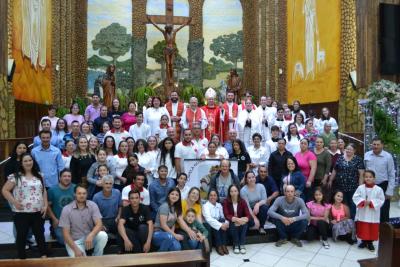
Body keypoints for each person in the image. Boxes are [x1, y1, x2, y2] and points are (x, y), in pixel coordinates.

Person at [2, 153, 48, 259]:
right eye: (25, 161)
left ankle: (43, 256)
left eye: (30, 160)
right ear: (21, 163)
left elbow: (43, 190)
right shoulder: (15, 176)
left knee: (40, 235)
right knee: (22, 235)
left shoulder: (39, 175)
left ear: (33, 161)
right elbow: (5, 190)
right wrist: (14, 202)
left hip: (38, 211)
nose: (28, 163)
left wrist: (45, 205)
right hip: (21, 212)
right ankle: (22, 258)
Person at [59, 185, 108, 257]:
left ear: (87, 194)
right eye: (79, 193)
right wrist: (76, 250)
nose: (82, 195)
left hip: (90, 238)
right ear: (74, 194)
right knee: (80, 262)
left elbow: (99, 224)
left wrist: (91, 235)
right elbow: (66, 234)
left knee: (103, 235)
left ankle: (97, 257)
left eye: (84, 193)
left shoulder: (92, 205)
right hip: (74, 242)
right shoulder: (67, 209)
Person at [147, 16, 191, 87]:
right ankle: (169, 78)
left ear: (171, 28)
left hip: (172, 50)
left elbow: (181, 26)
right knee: (168, 64)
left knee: (171, 64)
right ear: (166, 29)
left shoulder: (174, 32)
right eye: (167, 29)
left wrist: (187, 22)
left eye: (170, 28)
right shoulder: (165, 33)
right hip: (167, 49)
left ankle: (171, 78)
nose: (169, 29)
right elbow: (157, 27)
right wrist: (151, 21)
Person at [364, 137, 396, 222]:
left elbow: (392, 174)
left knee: (383, 211)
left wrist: (389, 191)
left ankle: (383, 232)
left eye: (378, 144)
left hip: (383, 186)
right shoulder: (367, 155)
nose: (376, 146)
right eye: (374, 144)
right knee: (370, 209)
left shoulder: (388, 157)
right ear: (371, 145)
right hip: (369, 186)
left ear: (382, 145)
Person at [329, 143, 365, 218]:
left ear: (354, 150)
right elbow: (335, 170)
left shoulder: (358, 159)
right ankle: (343, 223)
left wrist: (361, 187)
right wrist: (330, 180)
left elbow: (361, 174)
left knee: (352, 205)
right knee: (344, 205)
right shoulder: (340, 158)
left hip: (353, 187)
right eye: (347, 149)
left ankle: (352, 222)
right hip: (341, 187)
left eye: (350, 149)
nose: (348, 150)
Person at [353, 170, 385, 252]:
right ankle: (363, 241)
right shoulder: (360, 188)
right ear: (363, 178)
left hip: (373, 213)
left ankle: (370, 243)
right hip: (363, 212)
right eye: (366, 177)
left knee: (372, 228)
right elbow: (355, 197)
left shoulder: (378, 189)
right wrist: (363, 202)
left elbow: (381, 199)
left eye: (370, 177)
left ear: (374, 178)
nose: (368, 178)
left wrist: (371, 203)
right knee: (363, 227)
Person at [118, 189, 154, 253]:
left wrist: (148, 242)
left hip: (143, 235)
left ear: (140, 199)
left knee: (143, 227)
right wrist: (126, 240)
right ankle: (138, 251)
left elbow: (151, 224)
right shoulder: (125, 209)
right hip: (132, 235)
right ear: (129, 200)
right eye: (132, 198)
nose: (134, 200)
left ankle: (144, 248)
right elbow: (120, 224)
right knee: (124, 230)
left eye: (136, 198)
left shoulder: (145, 208)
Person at [47, 169, 75, 245]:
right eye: (64, 176)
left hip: (74, 221)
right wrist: (54, 219)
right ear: (60, 178)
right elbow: (47, 207)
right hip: (59, 222)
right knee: (64, 240)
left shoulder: (75, 188)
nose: (67, 178)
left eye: (69, 176)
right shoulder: (52, 190)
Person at [223, 184, 251, 254]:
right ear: (229, 193)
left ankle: (242, 244)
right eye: (231, 191)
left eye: (235, 191)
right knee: (233, 224)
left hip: (241, 221)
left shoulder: (242, 201)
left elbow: (248, 214)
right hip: (232, 221)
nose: (233, 193)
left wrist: (243, 220)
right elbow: (226, 215)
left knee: (244, 224)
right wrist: (236, 219)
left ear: (238, 192)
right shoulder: (226, 201)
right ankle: (236, 244)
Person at [202, 189, 229, 255]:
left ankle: (224, 245)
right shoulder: (205, 206)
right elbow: (209, 219)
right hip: (209, 224)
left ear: (217, 197)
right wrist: (221, 225)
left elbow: (222, 216)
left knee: (222, 220)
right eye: (211, 195)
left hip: (218, 223)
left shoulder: (219, 205)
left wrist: (226, 223)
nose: (213, 197)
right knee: (217, 223)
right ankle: (219, 246)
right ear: (208, 196)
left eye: (214, 195)